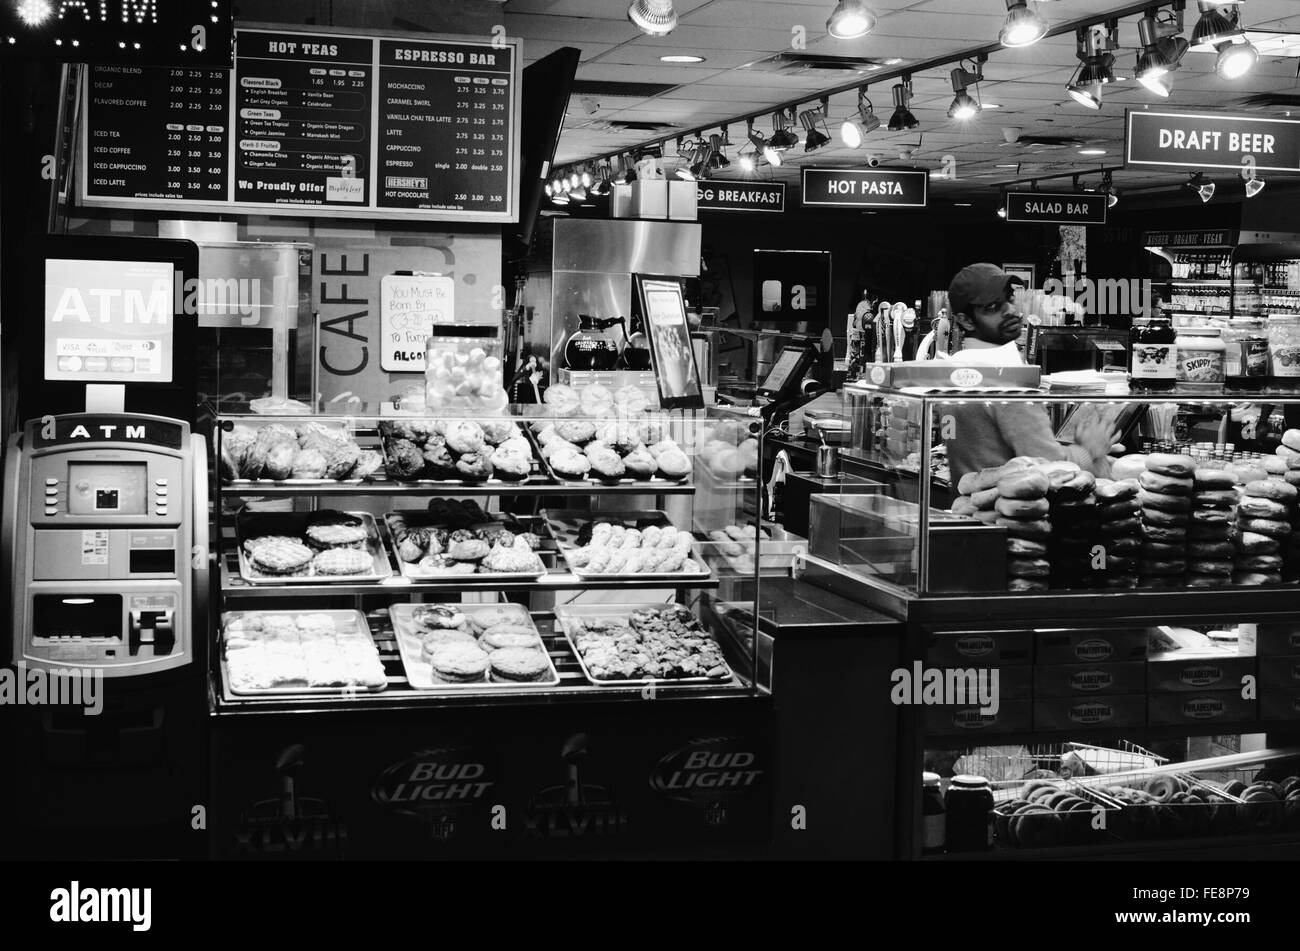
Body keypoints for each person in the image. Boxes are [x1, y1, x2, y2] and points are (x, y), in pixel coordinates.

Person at [941, 263, 1118, 485]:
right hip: (1009, 514)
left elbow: (965, 444)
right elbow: (1050, 467)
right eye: (993, 307)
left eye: (1010, 298)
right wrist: (1089, 450)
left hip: (966, 506)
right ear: (965, 320)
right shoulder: (1007, 380)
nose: (1011, 311)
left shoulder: (955, 370)